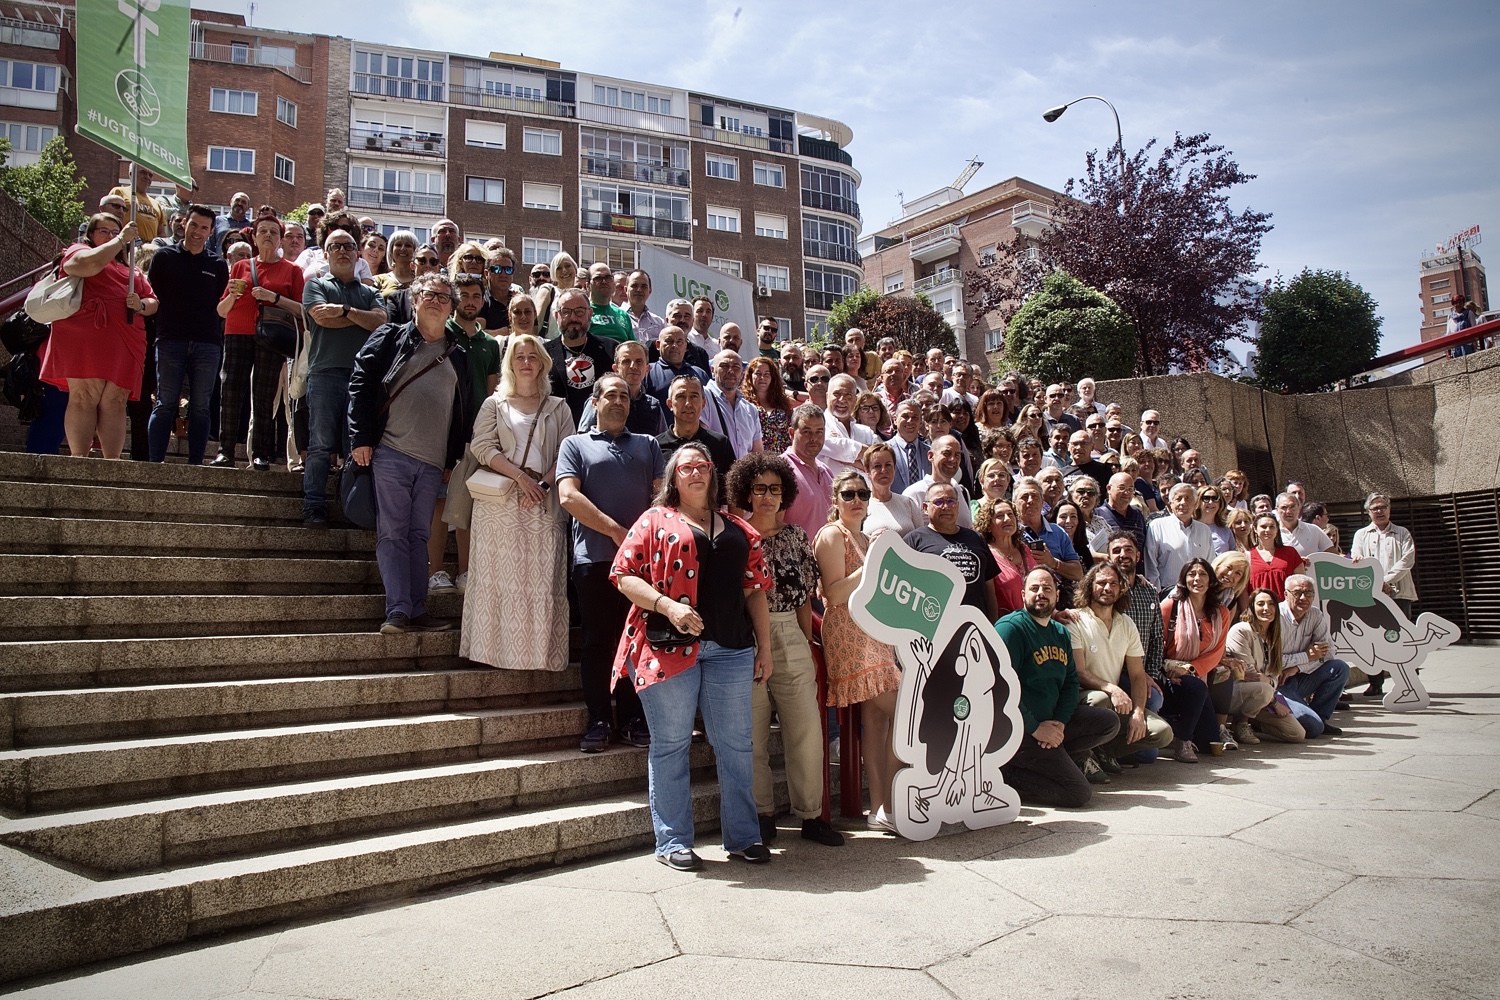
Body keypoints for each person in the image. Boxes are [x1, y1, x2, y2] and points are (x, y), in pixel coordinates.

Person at [611, 442, 774, 869]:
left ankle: (743, 837)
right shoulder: (654, 520)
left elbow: (754, 589)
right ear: (673, 478)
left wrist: (766, 648)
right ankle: (672, 842)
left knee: (737, 745)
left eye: (703, 466)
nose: (696, 472)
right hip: (669, 648)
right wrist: (669, 606)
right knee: (670, 744)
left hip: (733, 648)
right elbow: (623, 574)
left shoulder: (738, 527)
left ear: (713, 475)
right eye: (686, 467)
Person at [347, 271, 473, 634]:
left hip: (433, 462)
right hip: (391, 451)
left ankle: (417, 609)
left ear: (451, 307)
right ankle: (398, 610)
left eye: (443, 297)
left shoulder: (458, 354)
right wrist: (360, 438)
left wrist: (451, 460)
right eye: (429, 295)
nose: (436, 301)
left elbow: (462, 409)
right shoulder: (389, 337)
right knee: (392, 533)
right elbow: (360, 384)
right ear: (414, 301)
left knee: (420, 535)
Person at [729, 453, 844, 847]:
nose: (766, 497)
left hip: (790, 636)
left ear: (785, 494)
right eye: (759, 488)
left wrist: (804, 642)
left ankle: (811, 814)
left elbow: (800, 598)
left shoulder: (796, 536)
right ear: (746, 491)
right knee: (753, 732)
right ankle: (762, 814)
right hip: (745, 641)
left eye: (774, 489)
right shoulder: (732, 533)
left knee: (807, 729)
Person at [558, 374, 665, 753]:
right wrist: (618, 532)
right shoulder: (575, 445)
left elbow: (661, 499)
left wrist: (640, 543)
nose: (618, 401)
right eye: (610, 395)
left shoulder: (648, 444)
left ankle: (635, 718)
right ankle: (600, 719)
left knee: (637, 641)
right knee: (599, 642)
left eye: (624, 395)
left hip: (642, 567)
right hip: (596, 559)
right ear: (595, 401)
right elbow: (568, 496)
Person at [460, 333, 572, 670]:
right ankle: (489, 654)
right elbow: (482, 446)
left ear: (542, 363)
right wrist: (520, 478)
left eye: (532, 356)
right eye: (519, 356)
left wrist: (541, 483)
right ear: (509, 363)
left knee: (541, 580)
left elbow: (567, 453)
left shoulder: (559, 406)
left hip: (543, 498)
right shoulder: (494, 403)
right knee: (497, 579)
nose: (526, 362)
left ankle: (536, 656)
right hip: (500, 503)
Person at [816, 469, 902, 832]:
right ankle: (896, 802)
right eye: (848, 494)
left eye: (863, 495)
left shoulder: (866, 538)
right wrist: (872, 564)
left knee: (878, 722)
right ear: (834, 499)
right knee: (907, 715)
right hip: (848, 634)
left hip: (875, 634)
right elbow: (833, 594)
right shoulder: (831, 535)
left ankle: (881, 808)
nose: (856, 501)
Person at [994, 569, 1119, 807]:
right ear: (1023, 595)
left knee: (1108, 722)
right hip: (1016, 731)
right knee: (1077, 794)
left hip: (1050, 723)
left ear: (1057, 595)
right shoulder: (1011, 629)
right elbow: (1000, 686)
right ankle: (1005, 774)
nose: (1041, 593)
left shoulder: (1060, 632)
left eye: (1047, 589)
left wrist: (1060, 723)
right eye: (1034, 588)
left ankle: (1053, 754)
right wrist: (1035, 728)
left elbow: (1071, 682)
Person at [39, 212, 157, 460]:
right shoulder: (76, 251)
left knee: (116, 400)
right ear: (90, 234)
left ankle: (111, 463)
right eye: (104, 230)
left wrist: (141, 305)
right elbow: (88, 265)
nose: (112, 236)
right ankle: (79, 458)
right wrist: (119, 240)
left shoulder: (131, 269)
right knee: (84, 395)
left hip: (126, 336)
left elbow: (152, 301)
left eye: (116, 232)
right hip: (85, 333)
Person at [300, 229, 387, 526]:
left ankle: (352, 506)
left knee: (357, 446)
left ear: (357, 253)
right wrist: (357, 316)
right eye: (334, 246)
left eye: (348, 246)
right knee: (321, 443)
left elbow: (379, 323)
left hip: (362, 378)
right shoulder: (316, 285)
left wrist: (345, 310)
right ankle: (314, 505)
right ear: (325, 254)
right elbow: (320, 316)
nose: (342, 251)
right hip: (325, 373)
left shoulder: (371, 292)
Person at [1068, 561, 1175, 778]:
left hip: (1112, 703)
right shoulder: (1076, 620)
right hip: (1083, 701)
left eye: (1113, 584)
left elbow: (1137, 675)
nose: (1107, 588)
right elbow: (1079, 672)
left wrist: (1137, 712)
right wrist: (1112, 689)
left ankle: (1104, 752)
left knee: (1162, 733)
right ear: (1090, 586)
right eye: (1101, 583)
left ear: (1121, 588)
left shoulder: (1126, 624)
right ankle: (1082, 753)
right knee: (1100, 699)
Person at [214, 214, 304, 471]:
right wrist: (231, 296)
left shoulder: (292, 270)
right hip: (236, 333)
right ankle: (225, 451)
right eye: (262, 231)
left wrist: (273, 297)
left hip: (271, 337)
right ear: (253, 237)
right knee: (230, 392)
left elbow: (301, 310)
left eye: (273, 232)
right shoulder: (240, 266)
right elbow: (221, 311)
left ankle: (260, 454)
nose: (267, 236)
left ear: (280, 239)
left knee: (264, 396)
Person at [1161, 558, 1248, 754]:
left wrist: (1190, 669)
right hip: (1168, 675)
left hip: (1196, 675)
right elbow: (1155, 643)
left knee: (1209, 743)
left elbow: (1216, 651)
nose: (1197, 579)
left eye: (1203, 574)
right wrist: (1170, 669)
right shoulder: (1170, 606)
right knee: (1197, 686)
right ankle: (1182, 741)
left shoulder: (1221, 613)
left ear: (1211, 580)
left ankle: (1175, 731)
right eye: (1192, 574)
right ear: (1184, 579)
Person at [1349, 493, 1417, 697]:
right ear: (1368, 512)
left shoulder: (1402, 533)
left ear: (1389, 509)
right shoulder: (1362, 534)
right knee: (1372, 638)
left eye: (1382, 507)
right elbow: (1356, 558)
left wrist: (1387, 581)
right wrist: (1376, 583)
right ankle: (1375, 683)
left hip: (1398, 593)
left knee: (1401, 639)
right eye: (1374, 508)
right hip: (1371, 596)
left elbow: (1407, 560)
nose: (1379, 511)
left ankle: (1408, 682)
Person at [905, 482, 1001, 619]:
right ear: (925, 508)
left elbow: (989, 588)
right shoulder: (914, 541)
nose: (946, 507)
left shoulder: (976, 538)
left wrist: (992, 626)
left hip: (975, 628)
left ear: (958, 506)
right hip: (934, 628)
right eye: (939, 502)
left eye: (951, 501)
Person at [1225, 589, 1306, 745]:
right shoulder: (1241, 630)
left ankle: (1254, 721)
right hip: (1237, 692)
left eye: (1270, 604)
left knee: (1297, 734)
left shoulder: (1274, 635)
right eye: (1260, 604)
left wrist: (1269, 683)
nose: (1266, 608)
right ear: (1252, 607)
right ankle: (1241, 723)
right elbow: (1249, 674)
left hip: (1263, 696)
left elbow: (1274, 677)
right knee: (1263, 689)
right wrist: (1275, 701)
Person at [1278, 575, 1352, 738]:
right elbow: (1273, 662)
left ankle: (1320, 718)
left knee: (1339, 668)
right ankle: (1266, 721)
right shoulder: (1275, 616)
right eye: (1297, 593)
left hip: (1301, 676)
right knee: (1312, 729)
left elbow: (1328, 654)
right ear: (1286, 594)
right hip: (1278, 682)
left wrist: (1298, 667)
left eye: (1309, 593)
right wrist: (1306, 656)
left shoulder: (1315, 615)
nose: (1304, 598)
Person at [545, 288, 616, 425]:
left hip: (600, 432)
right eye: (566, 312)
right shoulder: (544, 354)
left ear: (590, 314)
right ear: (556, 315)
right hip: (556, 430)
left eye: (579, 311)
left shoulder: (611, 350)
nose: (573, 318)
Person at [657, 374, 735, 488]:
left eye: (694, 396)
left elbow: (732, 492)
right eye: (681, 396)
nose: (688, 403)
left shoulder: (720, 444)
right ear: (670, 404)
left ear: (703, 403)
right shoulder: (656, 447)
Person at [577, 341, 667, 437]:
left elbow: (662, 443)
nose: (633, 366)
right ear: (616, 369)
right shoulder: (599, 401)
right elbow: (583, 440)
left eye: (639, 362)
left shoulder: (653, 405)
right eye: (626, 361)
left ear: (647, 369)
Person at [1013, 476, 1084, 587]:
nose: (1030, 501)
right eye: (1025, 497)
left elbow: (1078, 573)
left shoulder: (1058, 532)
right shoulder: (1010, 533)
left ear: (1042, 501)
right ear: (1014, 504)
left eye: (1035, 496)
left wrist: (1053, 563)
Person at [1145, 483, 1217, 593]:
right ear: (1171, 503)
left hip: (1198, 594)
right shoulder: (1157, 526)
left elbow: (1210, 564)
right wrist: (1157, 593)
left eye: (1188, 499)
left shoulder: (1204, 530)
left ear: (1195, 503)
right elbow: (1150, 564)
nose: (1183, 503)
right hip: (1167, 593)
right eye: (1178, 499)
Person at [975, 497, 1034, 615]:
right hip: (1007, 626)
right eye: (999, 516)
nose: (1007, 519)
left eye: (1010, 514)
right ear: (988, 524)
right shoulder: (986, 555)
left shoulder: (1025, 549)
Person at [903, 434, 975, 529]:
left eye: (957, 455)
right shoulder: (914, 494)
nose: (953, 459)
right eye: (946, 453)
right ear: (931, 456)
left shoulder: (959, 490)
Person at [700, 350, 762, 456]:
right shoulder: (702, 398)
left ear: (742, 373)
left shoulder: (750, 409)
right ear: (713, 370)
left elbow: (758, 453)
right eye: (724, 366)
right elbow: (700, 443)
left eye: (736, 367)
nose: (730, 371)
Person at [862, 441, 925, 536]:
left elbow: (921, 539)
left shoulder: (908, 503)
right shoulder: (861, 505)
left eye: (888, 465)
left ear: (894, 468)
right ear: (867, 471)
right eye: (877, 466)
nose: (883, 470)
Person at [820, 373, 878, 476]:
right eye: (837, 394)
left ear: (855, 400)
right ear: (827, 396)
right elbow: (842, 450)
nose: (842, 399)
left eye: (848, 395)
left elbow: (880, 459)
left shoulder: (866, 432)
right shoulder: (819, 428)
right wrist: (870, 453)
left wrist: (847, 455)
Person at [644, 324, 708, 406]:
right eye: (669, 341)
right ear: (658, 345)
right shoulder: (647, 372)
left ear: (686, 346)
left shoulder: (700, 374)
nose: (675, 345)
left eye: (679, 342)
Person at [1248, 513, 1305, 600]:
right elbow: (1243, 590)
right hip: (1258, 609)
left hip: (1286, 610)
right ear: (1255, 529)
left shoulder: (1290, 553)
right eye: (1263, 526)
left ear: (1277, 529)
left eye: (1272, 527)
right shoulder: (1247, 556)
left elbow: (1301, 583)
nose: (1268, 530)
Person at [745, 356, 794, 455]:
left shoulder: (782, 402)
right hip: (757, 459)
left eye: (767, 374)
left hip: (783, 459)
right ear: (750, 376)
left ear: (772, 377)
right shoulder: (744, 403)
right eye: (758, 374)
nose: (762, 378)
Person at [109, 165, 167, 243]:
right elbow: (108, 219)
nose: (147, 177)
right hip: (126, 245)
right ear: (131, 174)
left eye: (150, 175)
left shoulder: (156, 204)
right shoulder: (119, 192)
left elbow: (161, 233)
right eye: (143, 172)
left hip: (149, 249)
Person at [888, 399, 931, 495]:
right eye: (905, 416)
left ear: (921, 422)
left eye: (915, 417)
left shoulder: (930, 452)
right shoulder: (883, 450)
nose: (910, 421)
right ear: (895, 420)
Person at [585, 262, 634, 343]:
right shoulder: (582, 313)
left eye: (608, 277)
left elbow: (633, 346)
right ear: (587, 286)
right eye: (598, 278)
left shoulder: (623, 315)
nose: (604, 281)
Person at [1196, 484, 1235, 554]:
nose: (1211, 502)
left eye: (1215, 498)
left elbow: (1233, 555)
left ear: (1220, 503)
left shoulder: (1225, 530)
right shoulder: (1190, 527)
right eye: (1206, 498)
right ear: (1198, 501)